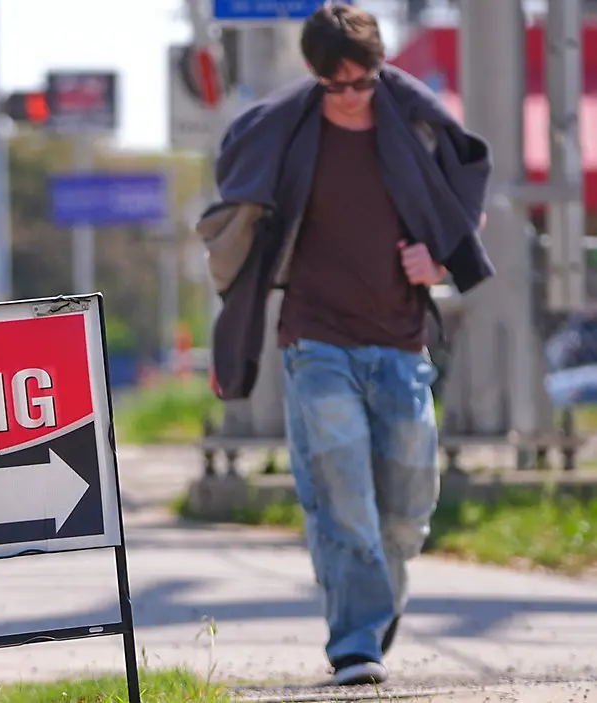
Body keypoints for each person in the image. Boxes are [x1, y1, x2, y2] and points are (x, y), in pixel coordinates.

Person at [198, 4, 495, 687]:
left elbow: (463, 185)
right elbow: (237, 170)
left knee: (409, 507)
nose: (352, 99)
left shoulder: (415, 125)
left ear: (379, 69)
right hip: (316, 341)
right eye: (337, 86)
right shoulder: (288, 128)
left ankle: (375, 603)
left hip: (400, 343)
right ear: (315, 75)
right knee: (342, 497)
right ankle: (356, 641)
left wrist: (441, 261)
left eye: (363, 82)